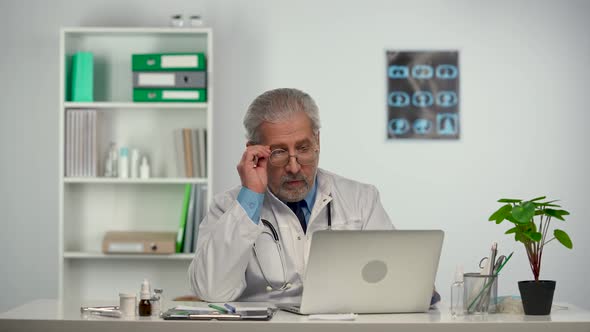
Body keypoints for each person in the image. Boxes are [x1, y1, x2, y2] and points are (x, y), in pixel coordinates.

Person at [188, 88, 394, 303]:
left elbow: (396, 279)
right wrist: (251, 197)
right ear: (254, 152)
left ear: (318, 142)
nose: (294, 167)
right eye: (278, 152)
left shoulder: (361, 199)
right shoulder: (227, 206)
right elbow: (211, 290)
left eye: (303, 148)